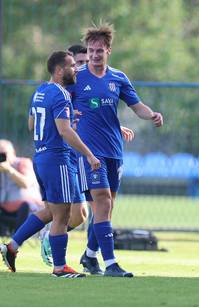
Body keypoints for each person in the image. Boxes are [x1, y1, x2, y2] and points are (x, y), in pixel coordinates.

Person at [70, 23, 163, 277]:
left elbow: (137, 106)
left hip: (114, 150)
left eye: (99, 50)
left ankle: (89, 256)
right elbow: (61, 102)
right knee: (102, 201)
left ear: (108, 50)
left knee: (106, 209)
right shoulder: (76, 77)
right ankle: (110, 263)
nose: (95, 55)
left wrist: (152, 114)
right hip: (89, 152)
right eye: (91, 50)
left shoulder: (118, 78)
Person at [1, 50, 101, 277]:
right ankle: (59, 267)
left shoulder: (40, 92)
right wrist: (89, 155)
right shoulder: (61, 94)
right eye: (72, 66)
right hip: (58, 159)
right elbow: (65, 131)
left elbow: (31, 123)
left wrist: (59, 120)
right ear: (59, 71)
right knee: (62, 215)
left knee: (51, 210)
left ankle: (12, 246)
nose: (76, 69)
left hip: (42, 157)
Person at [39, 43, 136, 273]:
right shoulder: (63, 88)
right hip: (71, 156)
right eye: (78, 63)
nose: (82, 66)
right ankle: (50, 237)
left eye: (84, 61)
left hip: (90, 153)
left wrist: (115, 124)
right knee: (81, 211)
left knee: (97, 210)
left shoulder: (108, 79)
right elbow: (60, 116)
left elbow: (91, 111)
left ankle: (89, 255)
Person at [0, 139, 44, 234]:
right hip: (5, 210)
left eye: (4, 154)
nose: (1, 157)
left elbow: (26, 183)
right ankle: (5, 233)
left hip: (28, 210)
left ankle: (18, 236)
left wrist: (9, 170)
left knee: (25, 206)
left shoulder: (22, 163)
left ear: (13, 153)